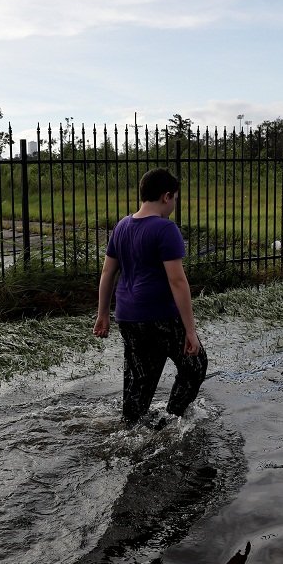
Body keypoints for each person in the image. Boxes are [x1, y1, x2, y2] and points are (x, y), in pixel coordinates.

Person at [93, 168, 208, 424]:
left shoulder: (122, 226)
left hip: (128, 317)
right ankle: (170, 421)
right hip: (161, 315)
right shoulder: (165, 229)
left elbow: (107, 273)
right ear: (166, 196)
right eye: (175, 198)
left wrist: (103, 315)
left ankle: (131, 426)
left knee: (140, 379)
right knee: (195, 366)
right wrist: (190, 330)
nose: (174, 204)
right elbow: (177, 281)